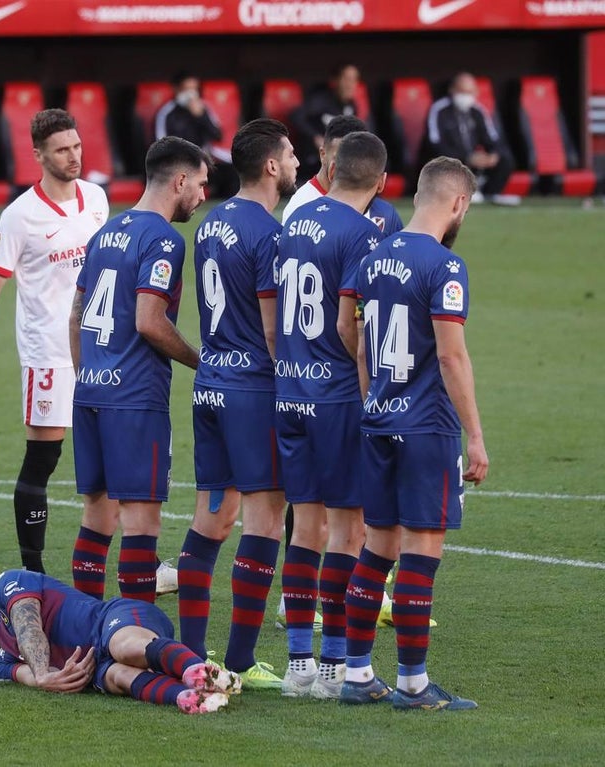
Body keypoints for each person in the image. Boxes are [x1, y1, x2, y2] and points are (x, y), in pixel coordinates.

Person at [342, 156, 488, 711]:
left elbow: (355, 341)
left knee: (376, 550)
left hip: (377, 421)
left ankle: (358, 675)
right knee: (421, 554)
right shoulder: (445, 267)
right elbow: (451, 356)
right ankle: (413, 685)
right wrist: (474, 435)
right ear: (456, 204)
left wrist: (370, 402)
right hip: (425, 428)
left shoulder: (374, 257)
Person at [174, 118, 298, 690]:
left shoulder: (211, 223)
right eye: (292, 155)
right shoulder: (270, 235)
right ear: (270, 166)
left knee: (212, 518)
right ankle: (244, 660)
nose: (299, 164)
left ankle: (190, 655)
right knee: (266, 521)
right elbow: (273, 331)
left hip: (210, 383)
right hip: (252, 388)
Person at [68, 136, 208, 604]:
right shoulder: (164, 239)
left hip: (90, 392)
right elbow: (149, 322)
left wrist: (88, 375)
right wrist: (200, 361)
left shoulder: (104, 232)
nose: (203, 197)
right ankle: (135, 634)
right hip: (134, 399)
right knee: (141, 523)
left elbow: (76, 314)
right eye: (202, 185)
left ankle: (85, 631)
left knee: (97, 516)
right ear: (180, 180)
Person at [0, 109, 109, 575]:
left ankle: (120, 558)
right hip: (48, 354)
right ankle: (33, 570)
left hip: (100, 350)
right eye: (62, 150)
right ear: (39, 156)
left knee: (110, 456)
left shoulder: (96, 199)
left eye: (76, 146)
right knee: (43, 459)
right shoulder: (20, 217)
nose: (74, 156)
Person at [274, 131, 387, 699]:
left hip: (289, 391)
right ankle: (333, 667)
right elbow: (351, 326)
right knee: (348, 531)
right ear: (382, 182)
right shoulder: (365, 235)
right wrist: (370, 394)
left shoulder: (295, 220)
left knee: (307, 527)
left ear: (334, 169)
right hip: (336, 396)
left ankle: (298, 663)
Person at [0, 569, 241, 713]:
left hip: (114, 618)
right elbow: (30, 678)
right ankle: (192, 698)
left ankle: (198, 671)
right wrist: (47, 679)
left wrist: (44, 673)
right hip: (96, 666)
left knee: (123, 648)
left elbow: (28, 627)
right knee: (117, 675)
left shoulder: (8, 583)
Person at [283, 115, 403, 237]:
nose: (348, 166)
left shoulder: (384, 213)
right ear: (323, 154)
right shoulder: (301, 207)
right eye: (340, 158)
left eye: (356, 158)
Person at [425, 72, 520, 206]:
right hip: (451, 161)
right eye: (462, 91)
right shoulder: (439, 110)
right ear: (452, 90)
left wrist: (492, 155)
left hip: (474, 162)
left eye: (469, 92)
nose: (466, 96)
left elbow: (493, 140)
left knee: (505, 158)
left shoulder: (478, 111)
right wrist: (467, 157)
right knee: (443, 162)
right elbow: (434, 144)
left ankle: (489, 194)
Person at [155, 72, 237, 198]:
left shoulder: (203, 108)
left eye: (194, 89)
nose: (191, 94)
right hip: (179, 162)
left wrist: (200, 116)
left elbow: (217, 135)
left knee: (232, 169)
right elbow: (160, 144)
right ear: (176, 89)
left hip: (204, 159)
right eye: (186, 89)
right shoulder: (166, 112)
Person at [292, 64, 366, 181]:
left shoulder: (352, 106)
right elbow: (297, 117)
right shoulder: (321, 101)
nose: (350, 85)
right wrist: (315, 136)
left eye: (354, 80)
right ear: (335, 80)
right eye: (346, 79)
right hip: (315, 162)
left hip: (341, 161)